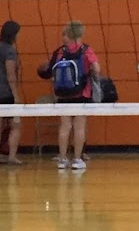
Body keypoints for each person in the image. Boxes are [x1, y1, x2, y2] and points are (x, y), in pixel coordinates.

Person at [38, 21, 101, 171]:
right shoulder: (86, 50)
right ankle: (77, 160)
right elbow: (96, 69)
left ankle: (62, 159)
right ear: (80, 34)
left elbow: (48, 73)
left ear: (67, 34)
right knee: (79, 126)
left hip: (63, 95)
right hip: (82, 93)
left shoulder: (59, 52)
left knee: (65, 126)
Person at [0, 20, 23, 165]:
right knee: (16, 124)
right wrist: (16, 96)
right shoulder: (8, 50)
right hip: (6, 93)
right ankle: (12, 157)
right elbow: (10, 74)